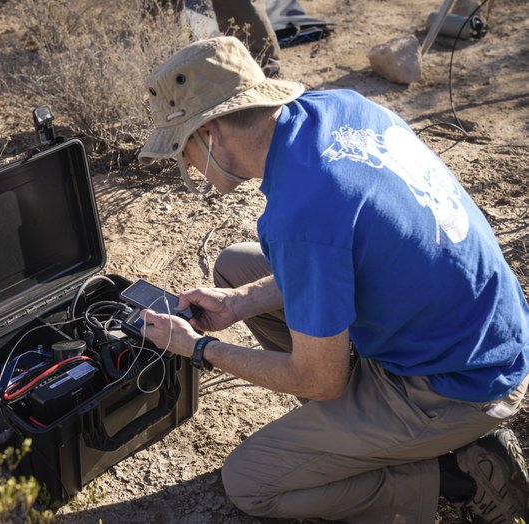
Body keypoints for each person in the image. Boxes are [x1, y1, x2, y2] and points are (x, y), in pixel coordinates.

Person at [137, 35, 529, 523]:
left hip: (460, 381)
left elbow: (318, 380)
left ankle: (457, 475)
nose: (187, 167)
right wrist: (238, 303)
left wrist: (197, 348)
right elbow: (342, 247)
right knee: (236, 267)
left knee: (250, 484)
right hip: (482, 327)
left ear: (211, 133)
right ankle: (364, 426)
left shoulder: (301, 214)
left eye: (182, 149)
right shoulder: (339, 107)